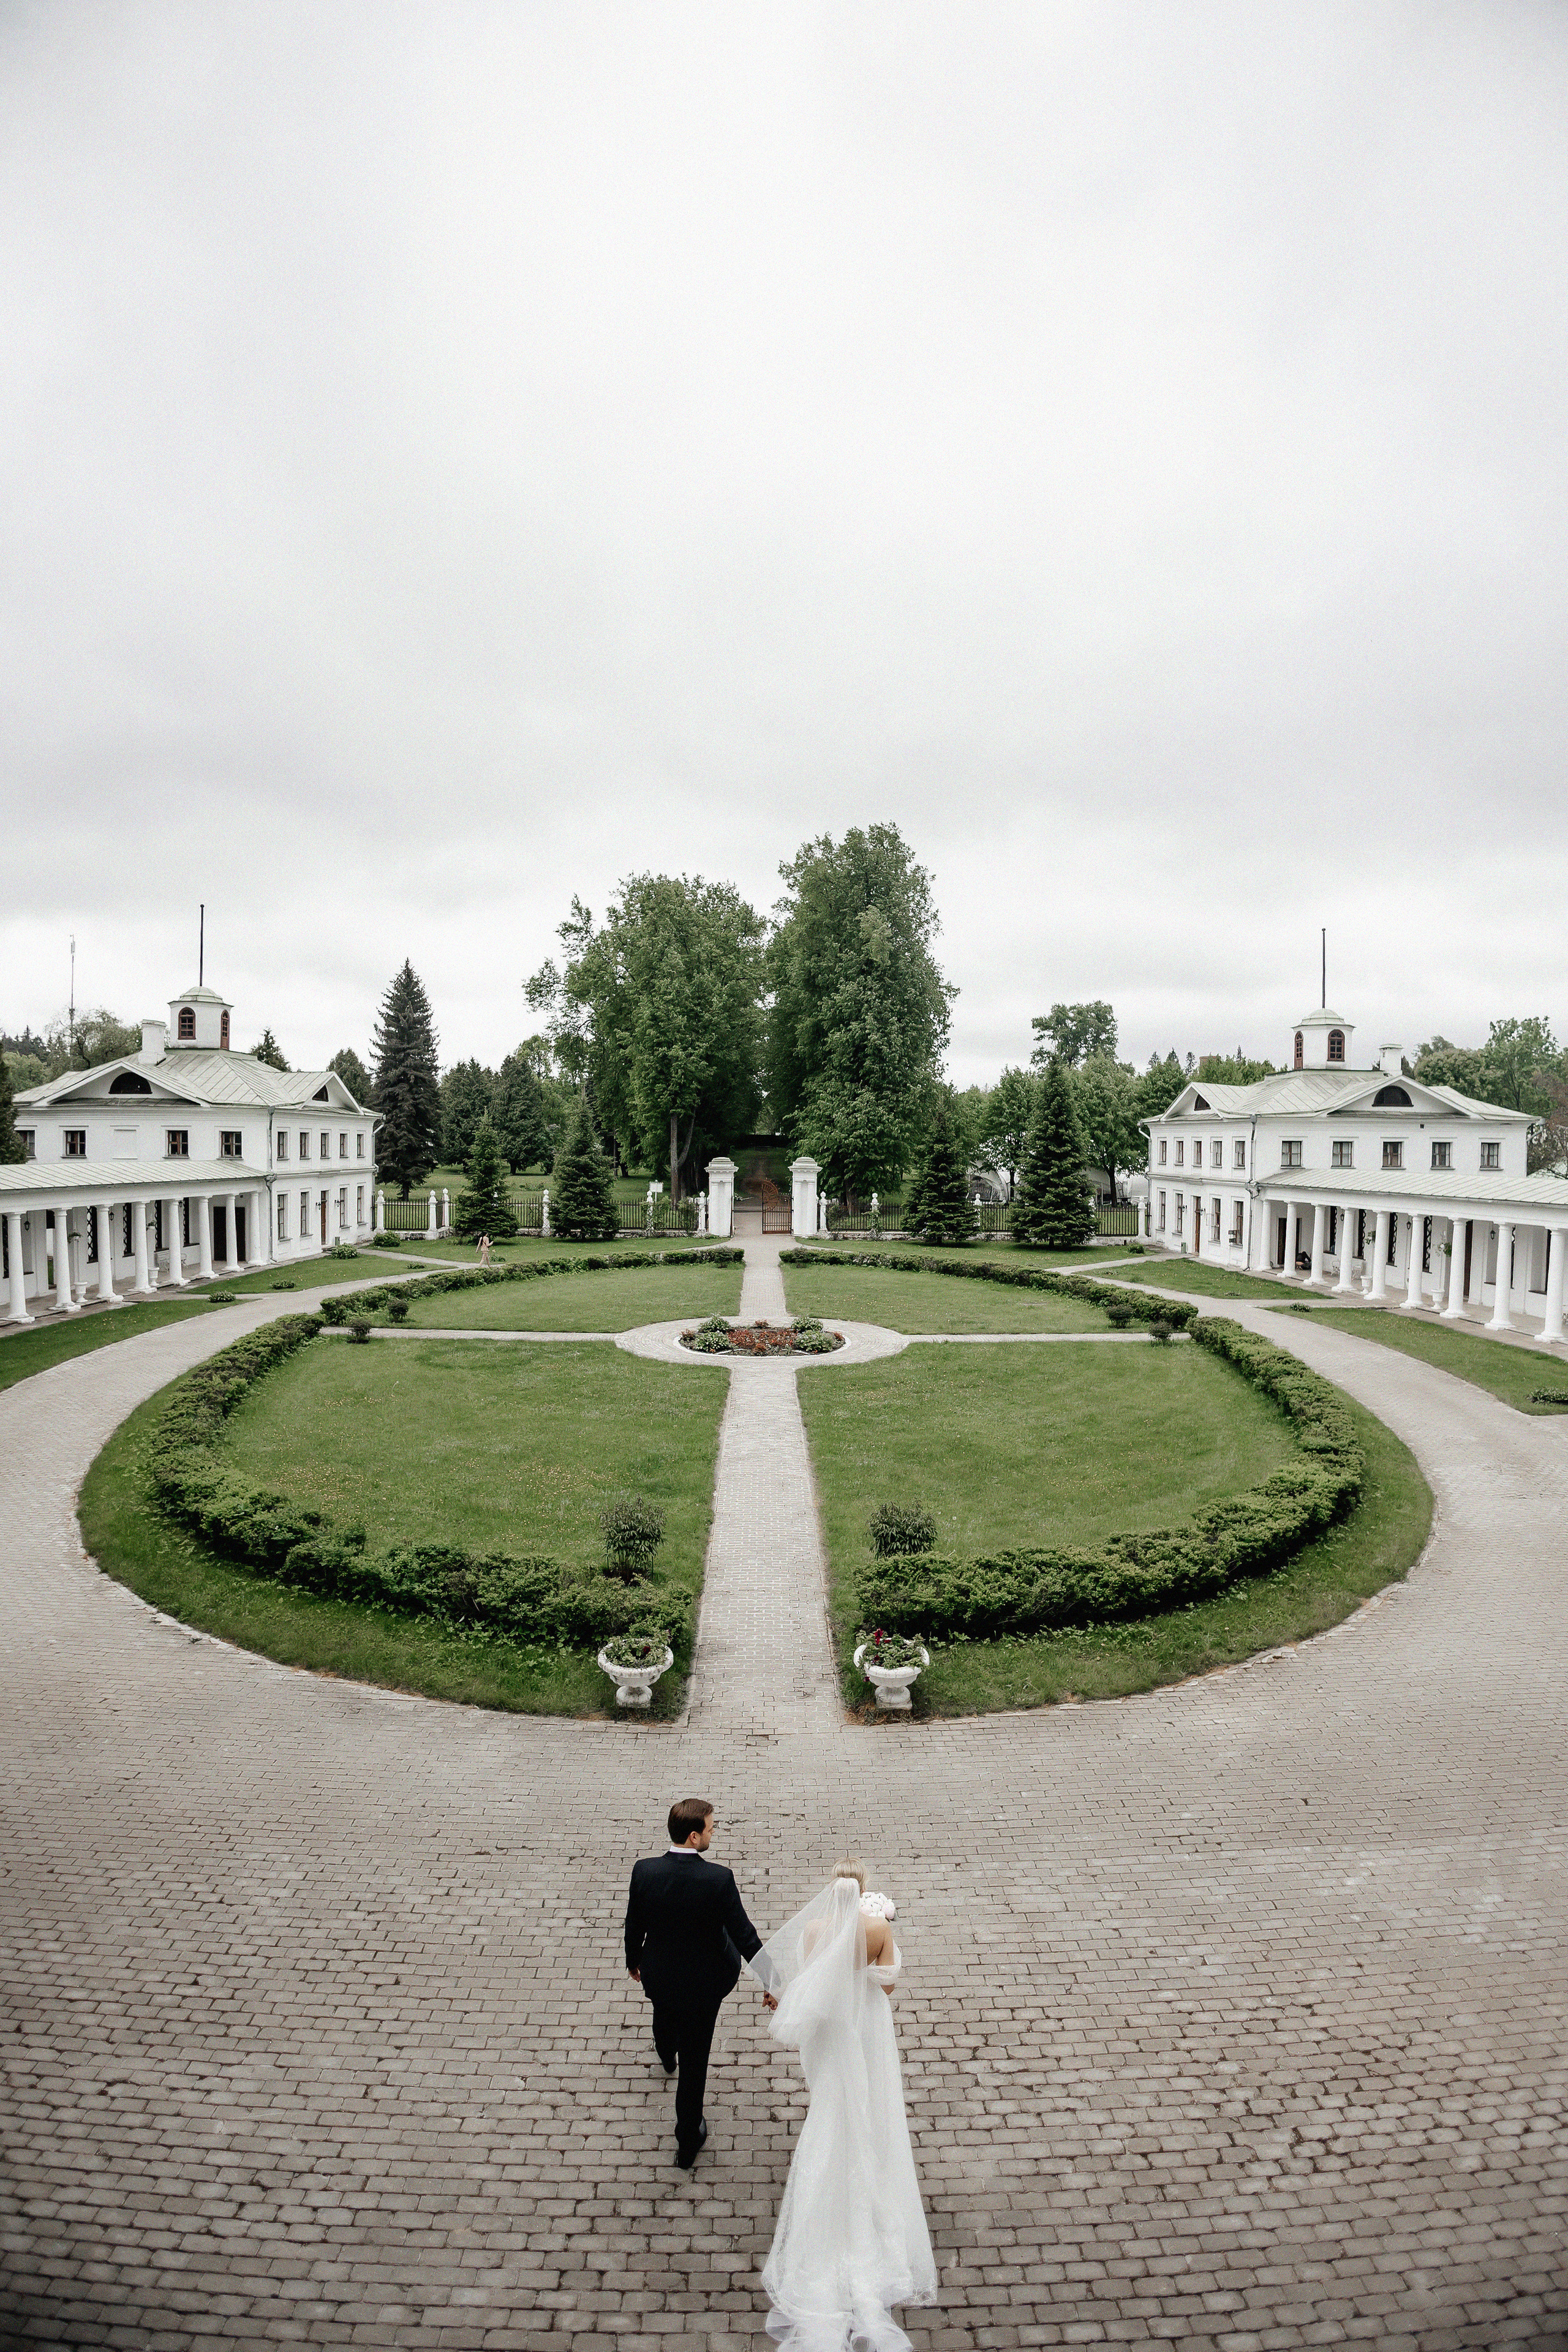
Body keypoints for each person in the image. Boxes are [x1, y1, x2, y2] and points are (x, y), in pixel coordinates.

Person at [756, 1858, 937, 2352]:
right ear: (862, 1891)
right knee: (869, 2100)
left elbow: (808, 1976)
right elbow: (890, 1982)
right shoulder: (877, 1928)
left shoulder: (815, 1929)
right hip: (865, 2028)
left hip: (832, 2031)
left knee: (831, 2105)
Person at [624, 1796, 777, 2171]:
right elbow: (745, 1935)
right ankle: (688, 2139)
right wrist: (774, 1979)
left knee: (664, 2011)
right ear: (694, 1837)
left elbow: (634, 1924)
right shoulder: (718, 1879)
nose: (714, 1832)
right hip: (706, 1982)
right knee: (696, 2062)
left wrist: (634, 1961)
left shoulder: (644, 1871)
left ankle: (664, 2052)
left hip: (660, 1973)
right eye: (711, 1828)